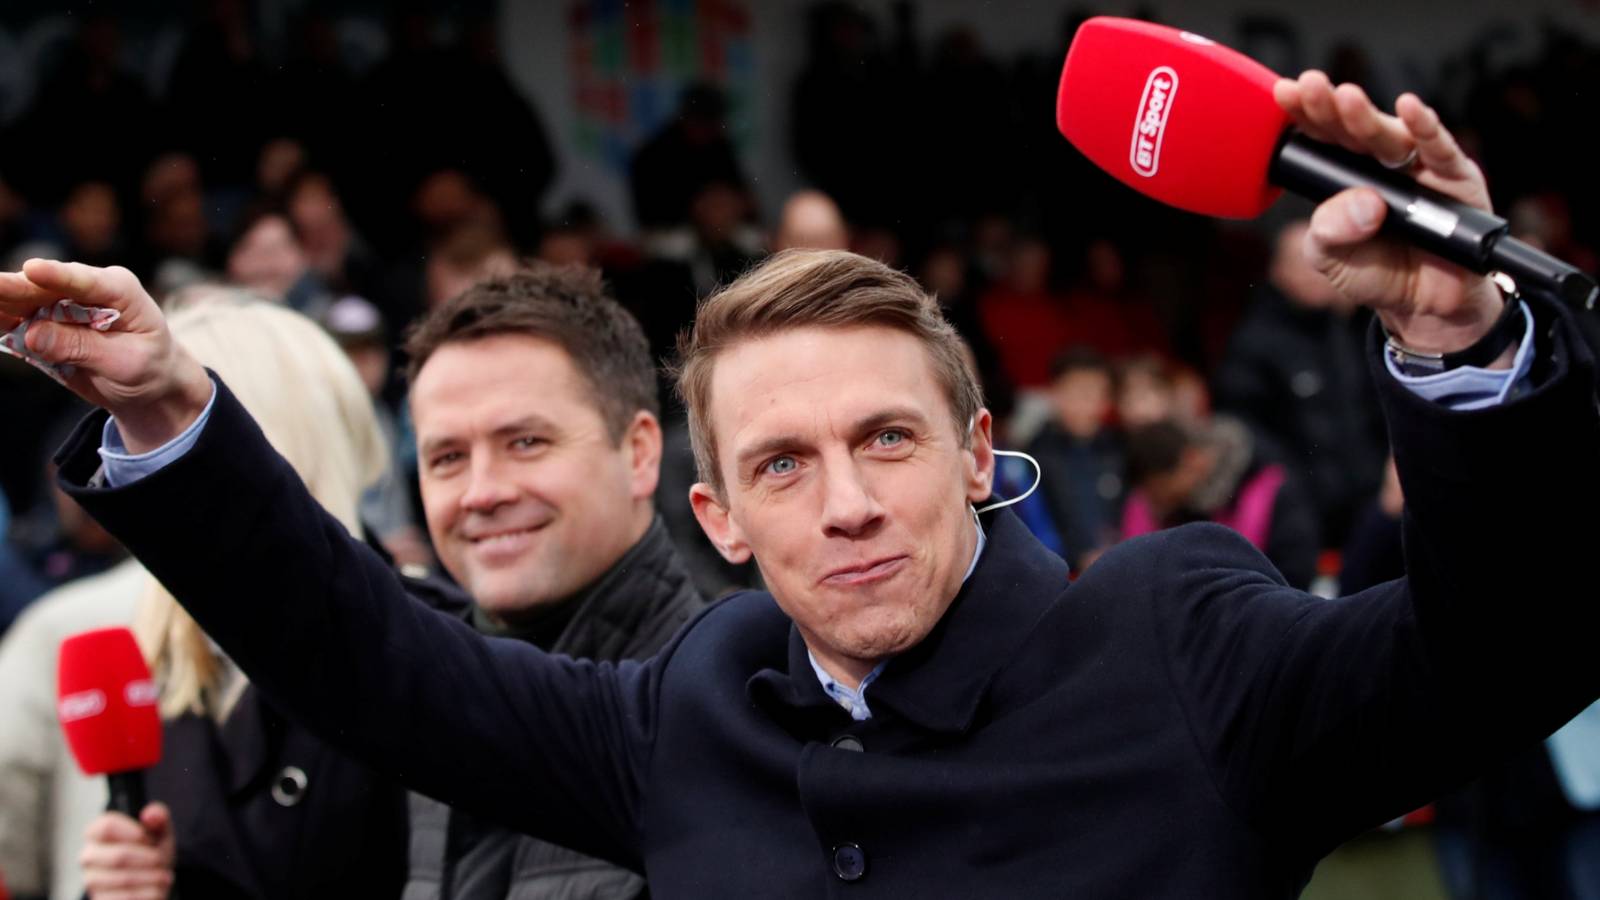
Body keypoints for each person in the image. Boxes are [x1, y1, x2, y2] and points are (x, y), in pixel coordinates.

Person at [5, 73, 1599, 898]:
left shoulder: (1180, 640)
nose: (845, 502)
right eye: (782, 462)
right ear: (717, 517)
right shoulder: (688, 709)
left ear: (976, 454)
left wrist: (1457, 334)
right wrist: (174, 410)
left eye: (887, 439)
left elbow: (1506, 655)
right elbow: (376, 663)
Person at [0, 290, 407, 900]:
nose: (131, 463)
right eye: (128, 428)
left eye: (166, 428)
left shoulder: (416, 645)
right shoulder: (134, 647)